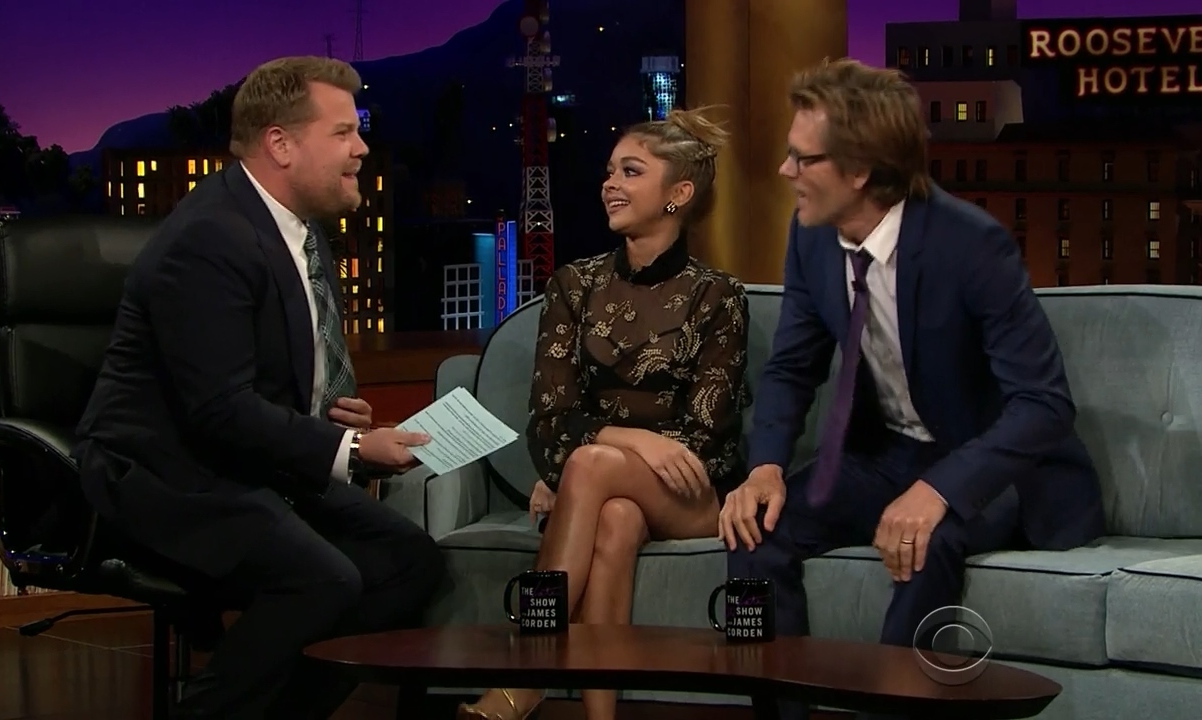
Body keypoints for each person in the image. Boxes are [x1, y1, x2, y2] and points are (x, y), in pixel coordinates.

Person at [718, 59, 1106, 720]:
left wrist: (940, 490)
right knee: (755, 532)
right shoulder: (812, 238)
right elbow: (791, 368)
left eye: (802, 158)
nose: (785, 171)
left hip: (988, 464)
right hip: (889, 455)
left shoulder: (970, 244)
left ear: (859, 171)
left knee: (926, 539)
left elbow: (1043, 404)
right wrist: (765, 468)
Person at [73, 56, 445, 720]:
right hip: (165, 474)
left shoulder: (298, 229)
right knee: (322, 579)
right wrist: (350, 450)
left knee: (407, 559)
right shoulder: (210, 238)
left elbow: (267, 378)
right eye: (343, 132)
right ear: (280, 144)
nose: (362, 148)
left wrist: (327, 413)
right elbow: (218, 409)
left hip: (247, 459)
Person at [457, 108, 751, 720]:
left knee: (590, 468)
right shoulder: (575, 285)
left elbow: (705, 435)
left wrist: (589, 464)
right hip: (612, 481)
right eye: (610, 171)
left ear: (678, 194)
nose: (610, 184)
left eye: (631, 172)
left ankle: (527, 673)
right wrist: (629, 444)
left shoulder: (717, 295)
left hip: (694, 491)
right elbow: (549, 419)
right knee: (614, 519)